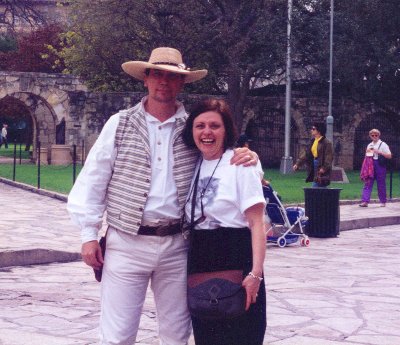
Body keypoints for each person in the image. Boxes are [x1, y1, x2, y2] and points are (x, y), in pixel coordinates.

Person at [67, 47, 258, 345]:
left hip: (177, 245)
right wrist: (89, 233)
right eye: (157, 74)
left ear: (182, 82)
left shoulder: (193, 128)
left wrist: (248, 157)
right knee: (117, 336)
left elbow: (221, 157)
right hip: (126, 241)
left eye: (172, 76)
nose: (164, 82)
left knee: (176, 335)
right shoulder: (120, 124)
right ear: (146, 78)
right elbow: (93, 179)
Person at [182, 99, 268, 345]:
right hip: (200, 260)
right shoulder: (193, 163)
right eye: (200, 126)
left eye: (214, 126)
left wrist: (256, 274)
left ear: (226, 130)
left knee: (241, 335)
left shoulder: (240, 165)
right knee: (207, 337)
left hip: (236, 257)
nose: (206, 132)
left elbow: (256, 224)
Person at [293, 122, 333, 187]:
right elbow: (306, 154)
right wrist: (298, 164)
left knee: (318, 183)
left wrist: (324, 168)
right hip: (314, 164)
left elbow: (329, 157)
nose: (311, 130)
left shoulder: (326, 143)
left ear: (319, 131)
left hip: (320, 165)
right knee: (319, 183)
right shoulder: (313, 141)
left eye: (313, 129)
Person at [359, 128, 392, 207]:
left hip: (380, 165)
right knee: (368, 182)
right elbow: (367, 156)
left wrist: (379, 152)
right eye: (372, 135)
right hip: (370, 165)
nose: (374, 136)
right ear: (370, 136)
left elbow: (389, 156)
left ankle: (383, 201)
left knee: (381, 183)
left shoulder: (383, 144)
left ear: (379, 135)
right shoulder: (369, 145)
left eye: (376, 135)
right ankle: (365, 201)